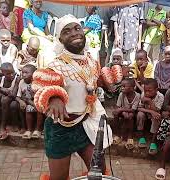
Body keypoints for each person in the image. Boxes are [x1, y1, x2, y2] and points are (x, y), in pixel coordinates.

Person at [37, 14, 114, 180]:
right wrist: (54, 98)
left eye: (77, 28)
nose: (74, 33)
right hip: (60, 129)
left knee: (98, 171)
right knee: (59, 177)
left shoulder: (92, 61)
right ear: (60, 39)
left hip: (86, 124)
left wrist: (109, 77)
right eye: (67, 31)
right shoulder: (55, 65)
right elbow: (41, 87)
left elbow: (93, 83)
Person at [0, 63, 20, 140]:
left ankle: (2, 126)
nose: (11, 75)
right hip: (2, 101)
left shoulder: (17, 79)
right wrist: (0, 93)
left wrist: (0, 90)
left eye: (13, 72)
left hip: (14, 100)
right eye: (8, 74)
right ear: (3, 73)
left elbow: (13, 95)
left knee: (5, 99)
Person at [136, 78, 164, 154]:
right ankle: (141, 137)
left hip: (155, 113)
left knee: (157, 117)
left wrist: (150, 101)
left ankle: (153, 141)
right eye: (145, 91)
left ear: (156, 89)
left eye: (149, 91)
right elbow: (139, 108)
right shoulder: (143, 94)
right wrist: (150, 111)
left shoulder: (160, 96)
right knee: (140, 114)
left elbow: (157, 110)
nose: (147, 93)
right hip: (146, 113)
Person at [16, 64, 43, 139]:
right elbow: (18, 96)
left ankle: (38, 129)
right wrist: (21, 101)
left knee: (39, 110)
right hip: (28, 102)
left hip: (37, 101)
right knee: (28, 109)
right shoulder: (21, 82)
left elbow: (40, 95)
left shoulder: (37, 83)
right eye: (22, 72)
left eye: (26, 73)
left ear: (33, 74)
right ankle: (29, 130)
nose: (24, 75)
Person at [112, 78, 140, 150]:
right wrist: (123, 112)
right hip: (123, 111)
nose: (122, 88)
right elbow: (118, 107)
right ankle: (117, 135)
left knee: (130, 116)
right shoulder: (121, 94)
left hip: (132, 112)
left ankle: (130, 137)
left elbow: (133, 110)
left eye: (124, 86)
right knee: (115, 114)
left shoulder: (137, 96)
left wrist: (122, 110)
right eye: (122, 86)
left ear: (132, 88)